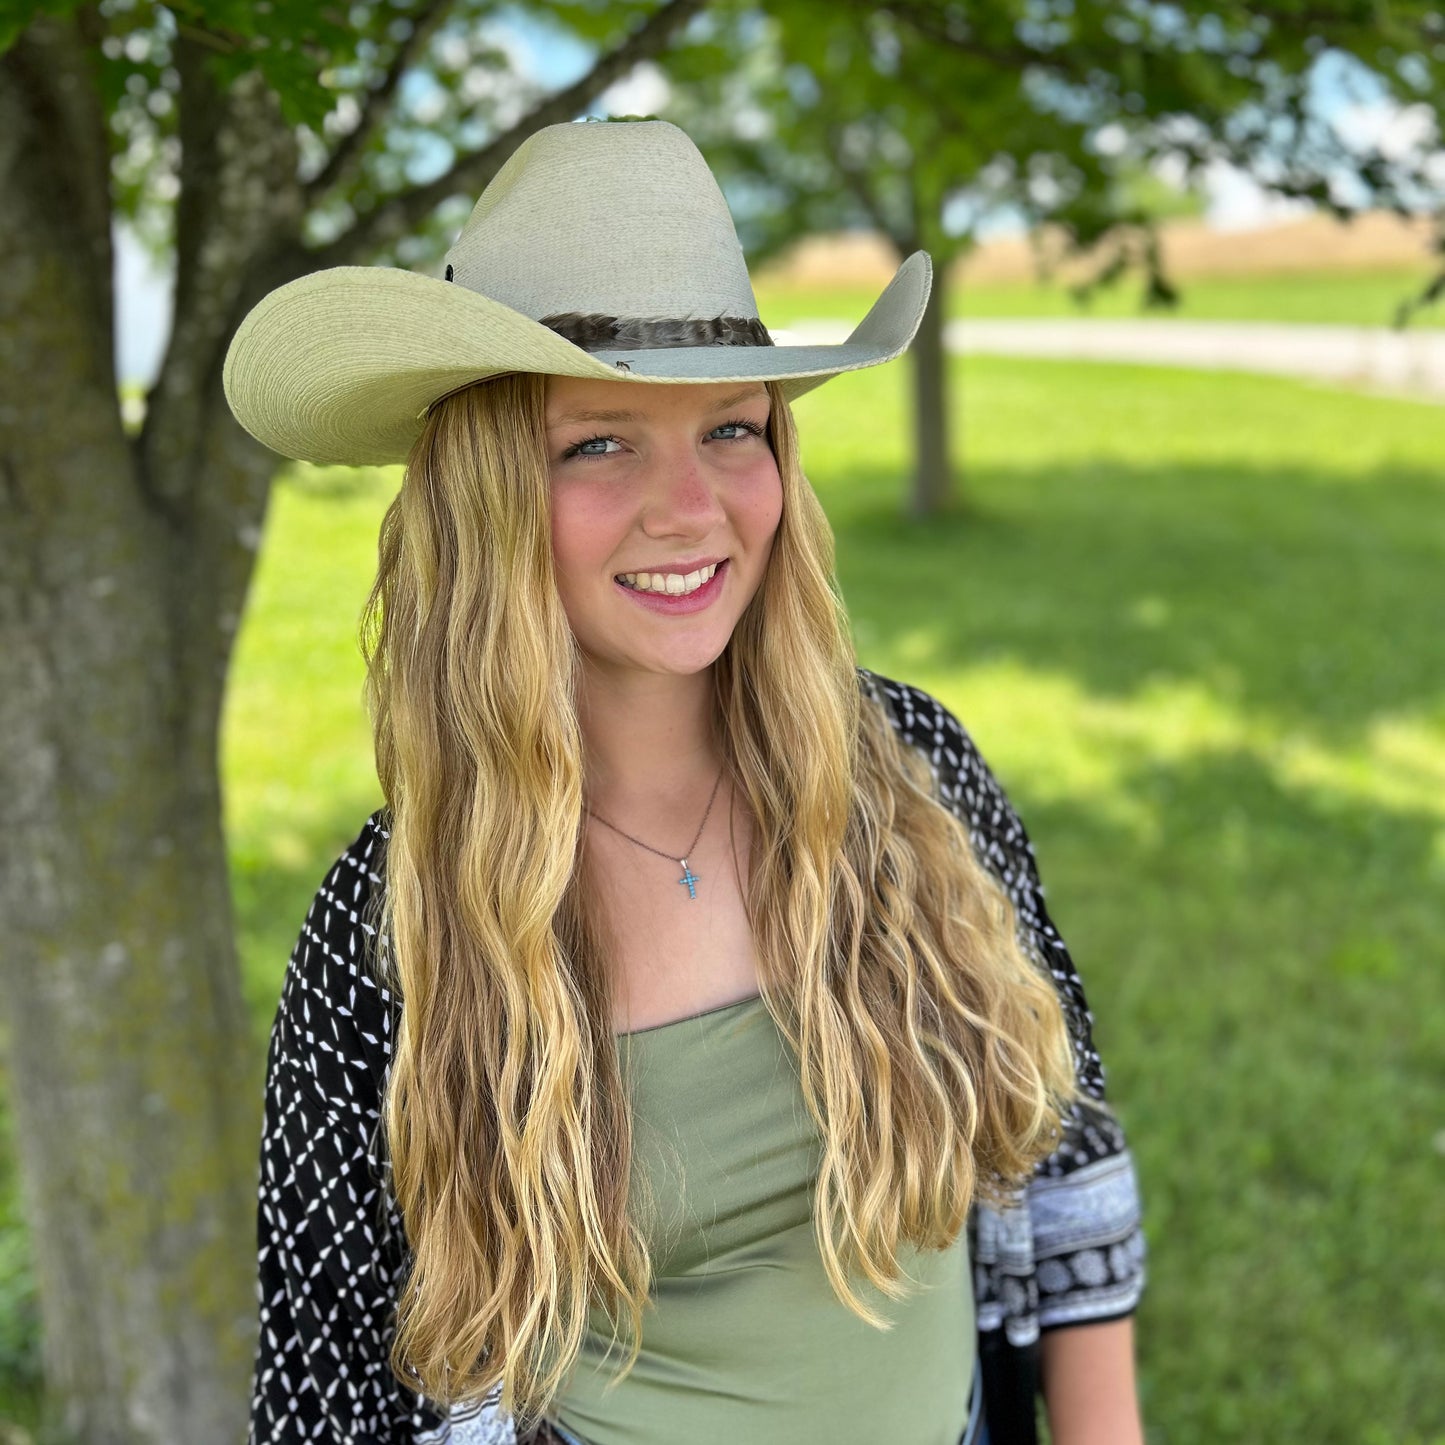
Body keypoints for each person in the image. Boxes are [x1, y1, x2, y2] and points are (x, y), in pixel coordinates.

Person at [224, 118, 1145, 1445]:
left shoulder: (911, 770)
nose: (690, 506)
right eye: (599, 443)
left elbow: (1063, 1145)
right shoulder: (396, 926)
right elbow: (322, 1395)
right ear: (489, 496)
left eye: (729, 428)